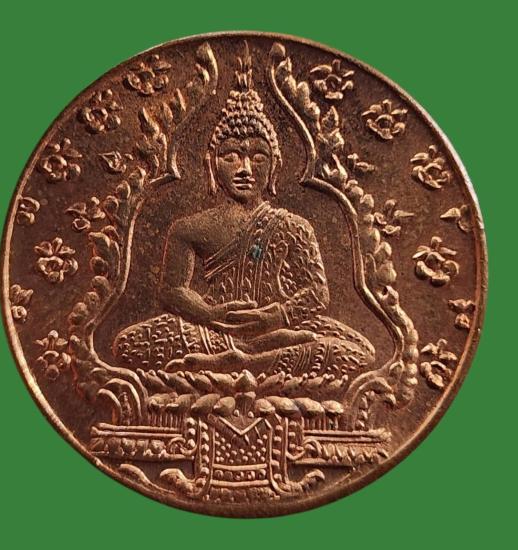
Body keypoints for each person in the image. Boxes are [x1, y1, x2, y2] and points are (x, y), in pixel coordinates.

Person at [114, 46, 374, 378]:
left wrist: (274, 317)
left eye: (258, 157)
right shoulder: (188, 227)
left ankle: (244, 360)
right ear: (212, 164)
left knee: (360, 352)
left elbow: (317, 294)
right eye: (231, 156)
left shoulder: (294, 226)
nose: (245, 169)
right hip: (213, 331)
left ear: (275, 165)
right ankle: (250, 355)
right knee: (128, 344)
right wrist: (210, 314)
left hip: (278, 328)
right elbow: (171, 291)